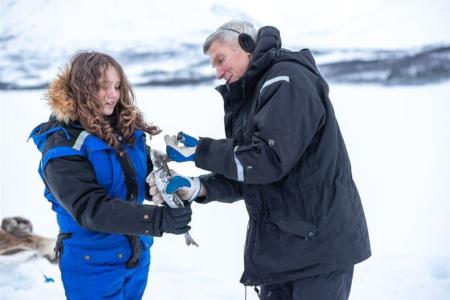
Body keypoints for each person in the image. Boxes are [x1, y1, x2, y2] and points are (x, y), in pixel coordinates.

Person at [150, 21, 371, 299]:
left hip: (316, 251)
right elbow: (251, 173)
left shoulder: (287, 80)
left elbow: (267, 160)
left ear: (246, 45)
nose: (218, 72)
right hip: (284, 251)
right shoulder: (253, 95)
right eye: (213, 66)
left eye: (220, 60)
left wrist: (200, 152)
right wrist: (200, 188)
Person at [29, 51, 192, 299]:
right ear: (82, 88)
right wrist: (158, 220)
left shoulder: (123, 132)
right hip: (91, 265)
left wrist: (174, 187)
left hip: (135, 256)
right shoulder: (62, 145)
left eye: (117, 86)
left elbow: (141, 179)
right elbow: (89, 208)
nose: (114, 94)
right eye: (103, 86)